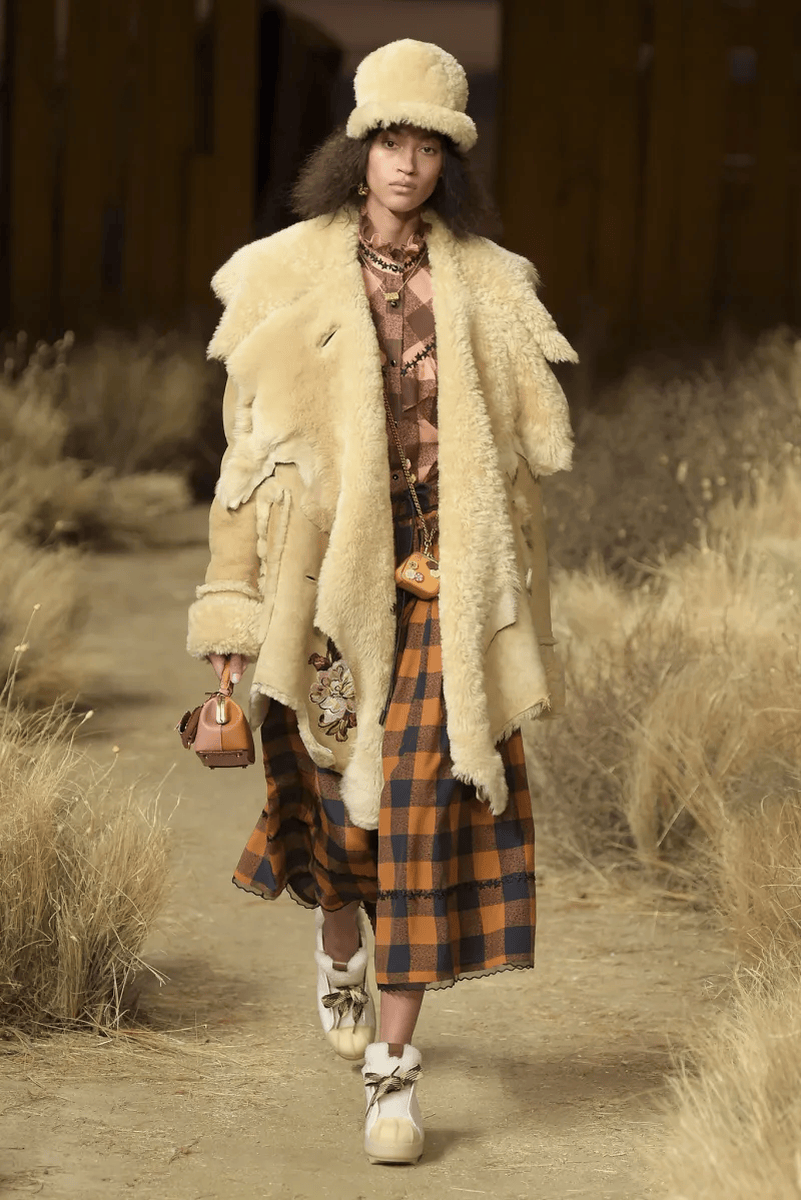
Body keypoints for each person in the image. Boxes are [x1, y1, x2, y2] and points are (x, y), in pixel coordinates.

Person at [187, 37, 576, 1166]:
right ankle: (337, 948)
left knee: (419, 820)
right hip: (323, 593)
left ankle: (392, 1077)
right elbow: (245, 469)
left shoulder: (491, 285)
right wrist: (229, 628)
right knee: (342, 828)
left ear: (451, 161)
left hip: (450, 586)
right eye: (390, 141)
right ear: (358, 149)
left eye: (429, 146)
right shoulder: (283, 276)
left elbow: (527, 464)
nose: (407, 164)